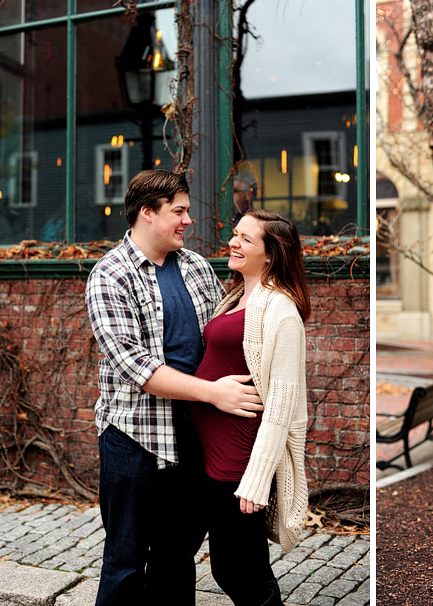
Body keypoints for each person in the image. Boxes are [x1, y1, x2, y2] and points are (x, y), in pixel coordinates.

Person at [85, 169, 264, 606]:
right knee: (124, 561)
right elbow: (136, 367)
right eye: (179, 211)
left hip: (194, 434)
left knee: (177, 558)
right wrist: (213, 393)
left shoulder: (197, 267)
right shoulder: (110, 275)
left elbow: (222, 336)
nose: (189, 220)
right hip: (134, 436)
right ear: (147, 213)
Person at [191, 208, 310, 606]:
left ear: (271, 254)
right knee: (247, 566)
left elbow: (282, 404)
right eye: (235, 234)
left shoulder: (281, 310)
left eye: (245, 238)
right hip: (214, 453)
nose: (233, 242)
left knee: (235, 570)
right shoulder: (237, 297)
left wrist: (257, 480)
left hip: (239, 460)